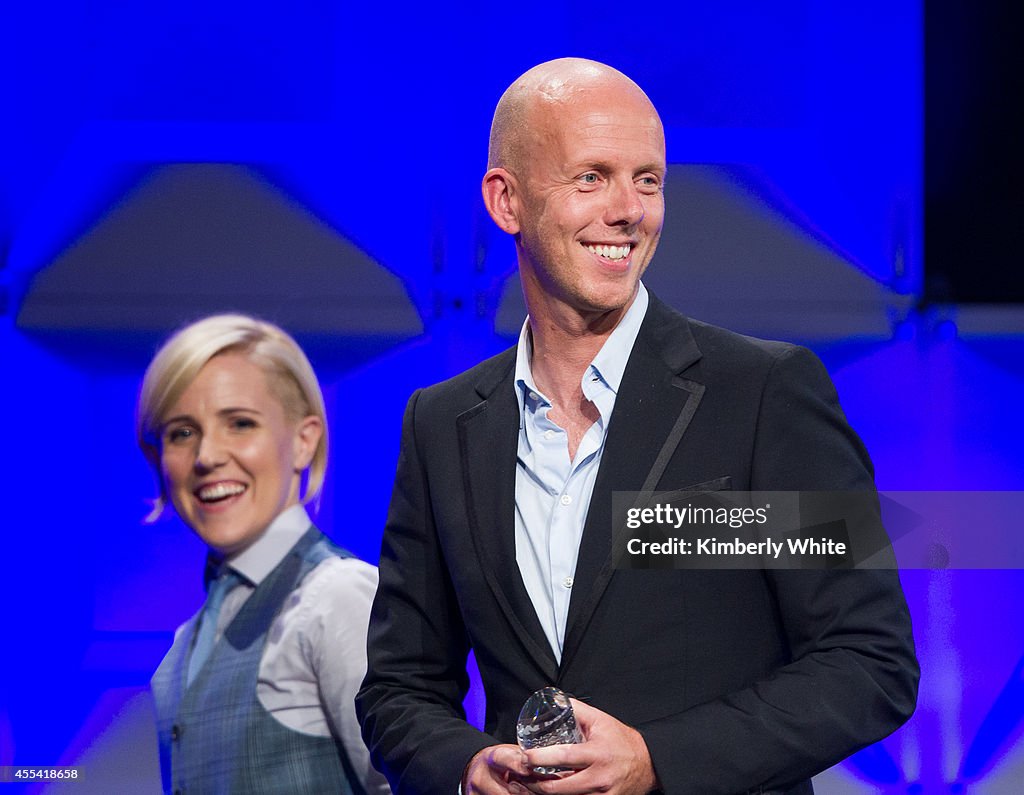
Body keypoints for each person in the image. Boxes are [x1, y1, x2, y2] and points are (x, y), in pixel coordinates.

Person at [356, 58, 918, 795]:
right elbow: (399, 688)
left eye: (647, 179)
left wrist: (659, 759)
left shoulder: (758, 395)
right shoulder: (443, 424)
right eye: (591, 176)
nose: (629, 209)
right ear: (506, 199)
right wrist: (465, 765)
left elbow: (867, 660)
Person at [138, 314, 389, 795]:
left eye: (239, 423)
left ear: (303, 440)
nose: (207, 455)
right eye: (181, 433)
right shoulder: (182, 646)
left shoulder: (337, 597)